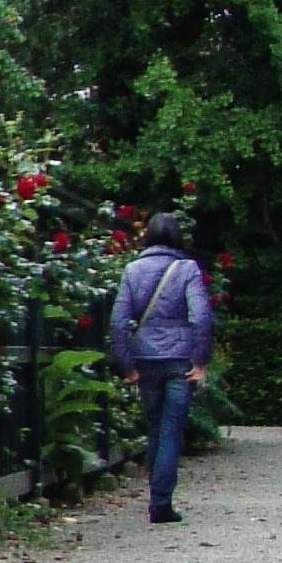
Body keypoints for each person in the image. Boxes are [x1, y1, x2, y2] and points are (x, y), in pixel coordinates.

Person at [107, 210, 215, 523]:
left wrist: (126, 364)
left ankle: (157, 495)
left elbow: (118, 322)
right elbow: (201, 317)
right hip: (180, 360)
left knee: (155, 427)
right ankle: (161, 502)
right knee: (171, 429)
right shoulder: (187, 269)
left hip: (145, 359)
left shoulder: (133, 269)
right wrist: (201, 360)